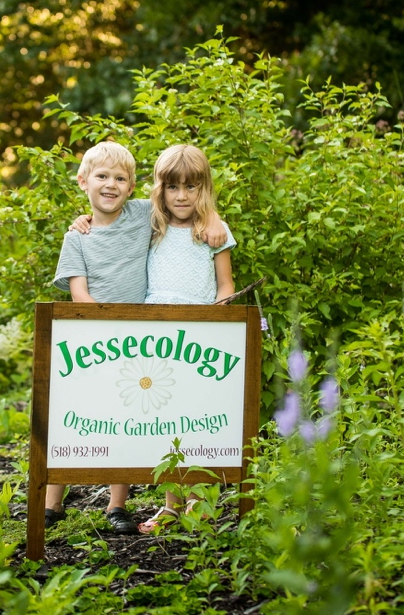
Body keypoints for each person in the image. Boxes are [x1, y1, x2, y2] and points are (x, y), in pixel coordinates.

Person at [48, 140, 227, 535]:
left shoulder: (150, 216)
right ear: (83, 180)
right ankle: (53, 504)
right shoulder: (96, 231)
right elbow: (80, 292)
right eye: (102, 177)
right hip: (114, 336)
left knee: (159, 416)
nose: (111, 185)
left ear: (132, 187)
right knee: (83, 410)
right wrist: (82, 220)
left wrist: (213, 216)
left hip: (169, 337)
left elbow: (188, 197)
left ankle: (149, 505)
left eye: (120, 179)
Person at [135, 144, 236, 534]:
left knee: (196, 416)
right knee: (165, 419)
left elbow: (225, 285)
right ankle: (171, 505)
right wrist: (82, 221)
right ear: (159, 188)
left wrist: (214, 323)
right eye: (173, 187)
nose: (181, 196)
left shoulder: (213, 231)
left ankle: (198, 500)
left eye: (191, 187)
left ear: (204, 189)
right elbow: (111, 218)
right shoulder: (151, 227)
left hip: (198, 338)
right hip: (156, 336)